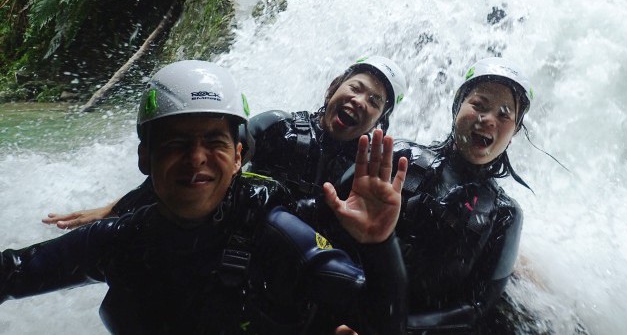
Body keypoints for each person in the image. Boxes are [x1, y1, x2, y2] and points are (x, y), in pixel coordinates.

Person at [2, 60, 409, 334]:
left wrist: (379, 242)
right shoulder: (123, 238)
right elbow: (17, 270)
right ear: (146, 157)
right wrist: (114, 208)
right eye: (177, 143)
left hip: (293, 279)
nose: (196, 158)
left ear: (235, 157)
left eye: (213, 141)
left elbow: (381, 316)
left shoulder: (280, 231)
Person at [42, 56, 407, 229]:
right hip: (233, 240)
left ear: (381, 120)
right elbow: (196, 167)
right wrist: (115, 208)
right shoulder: (277, 127)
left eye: (374, 101)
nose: (360, 101)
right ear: (333, 89)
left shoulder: (370, 172)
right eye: (355, 88)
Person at [388, 57, 532, 334]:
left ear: (512, 134)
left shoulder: (505, 214)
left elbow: (476, 307)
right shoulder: (399, 156)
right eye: (479, 105)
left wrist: (396, 328)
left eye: (504, 115)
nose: (488, 119)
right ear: (456, 108)